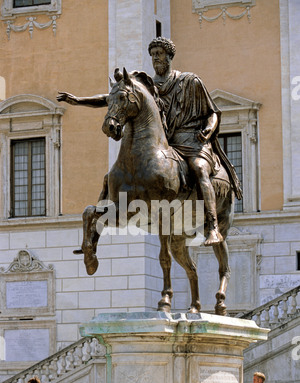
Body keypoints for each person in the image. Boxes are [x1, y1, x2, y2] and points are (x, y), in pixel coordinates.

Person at [57, 37, 242, 247]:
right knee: (112, 177)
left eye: (160, 54)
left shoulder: (190, 81)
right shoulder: (149, 87)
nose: (156, 58)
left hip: (191, 139)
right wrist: (78, 100)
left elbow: (213, 112)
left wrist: (207, 130)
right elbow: (113, 97)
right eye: (153, 55)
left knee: (199, 169)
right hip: (166, 142)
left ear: (170, 57)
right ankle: (100, 225)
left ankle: (213, 227)